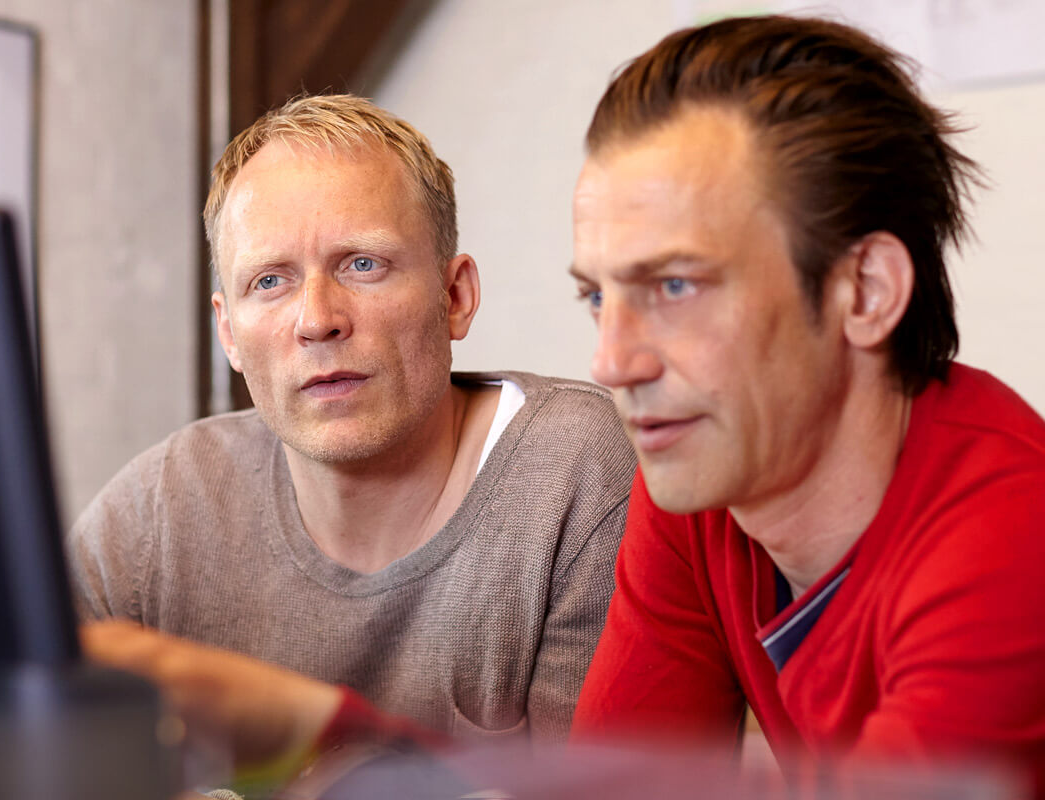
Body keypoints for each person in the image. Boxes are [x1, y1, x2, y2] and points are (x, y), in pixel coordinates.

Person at [566, 14, 1045, 798]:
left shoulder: (1032, 532)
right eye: (597, 297)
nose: (611, 363)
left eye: (675, 286)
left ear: (865, 291)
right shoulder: (705, 476)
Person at [69, 94, 635, 749]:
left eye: (363, 264)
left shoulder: (578, 472)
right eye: (270, 282)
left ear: (455, 297)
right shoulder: (161, 508)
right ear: (228, 333)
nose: (318, 320)